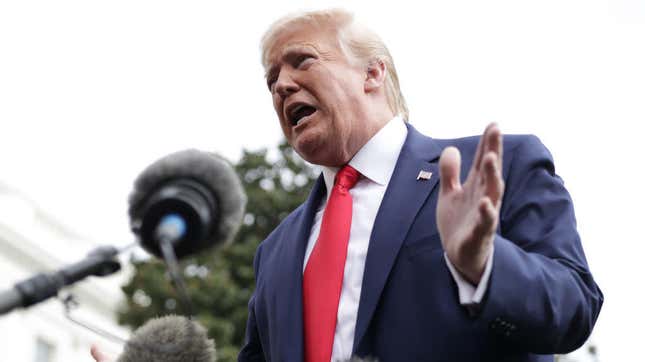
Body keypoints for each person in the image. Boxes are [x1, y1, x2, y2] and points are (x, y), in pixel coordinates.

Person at [238, 8, 603, 362]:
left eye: (302, 61)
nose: (282, 85)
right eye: (271, 80)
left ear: (373, 72)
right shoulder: (273, 251)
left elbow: (574, 307)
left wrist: (484, 265)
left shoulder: (494, 169)